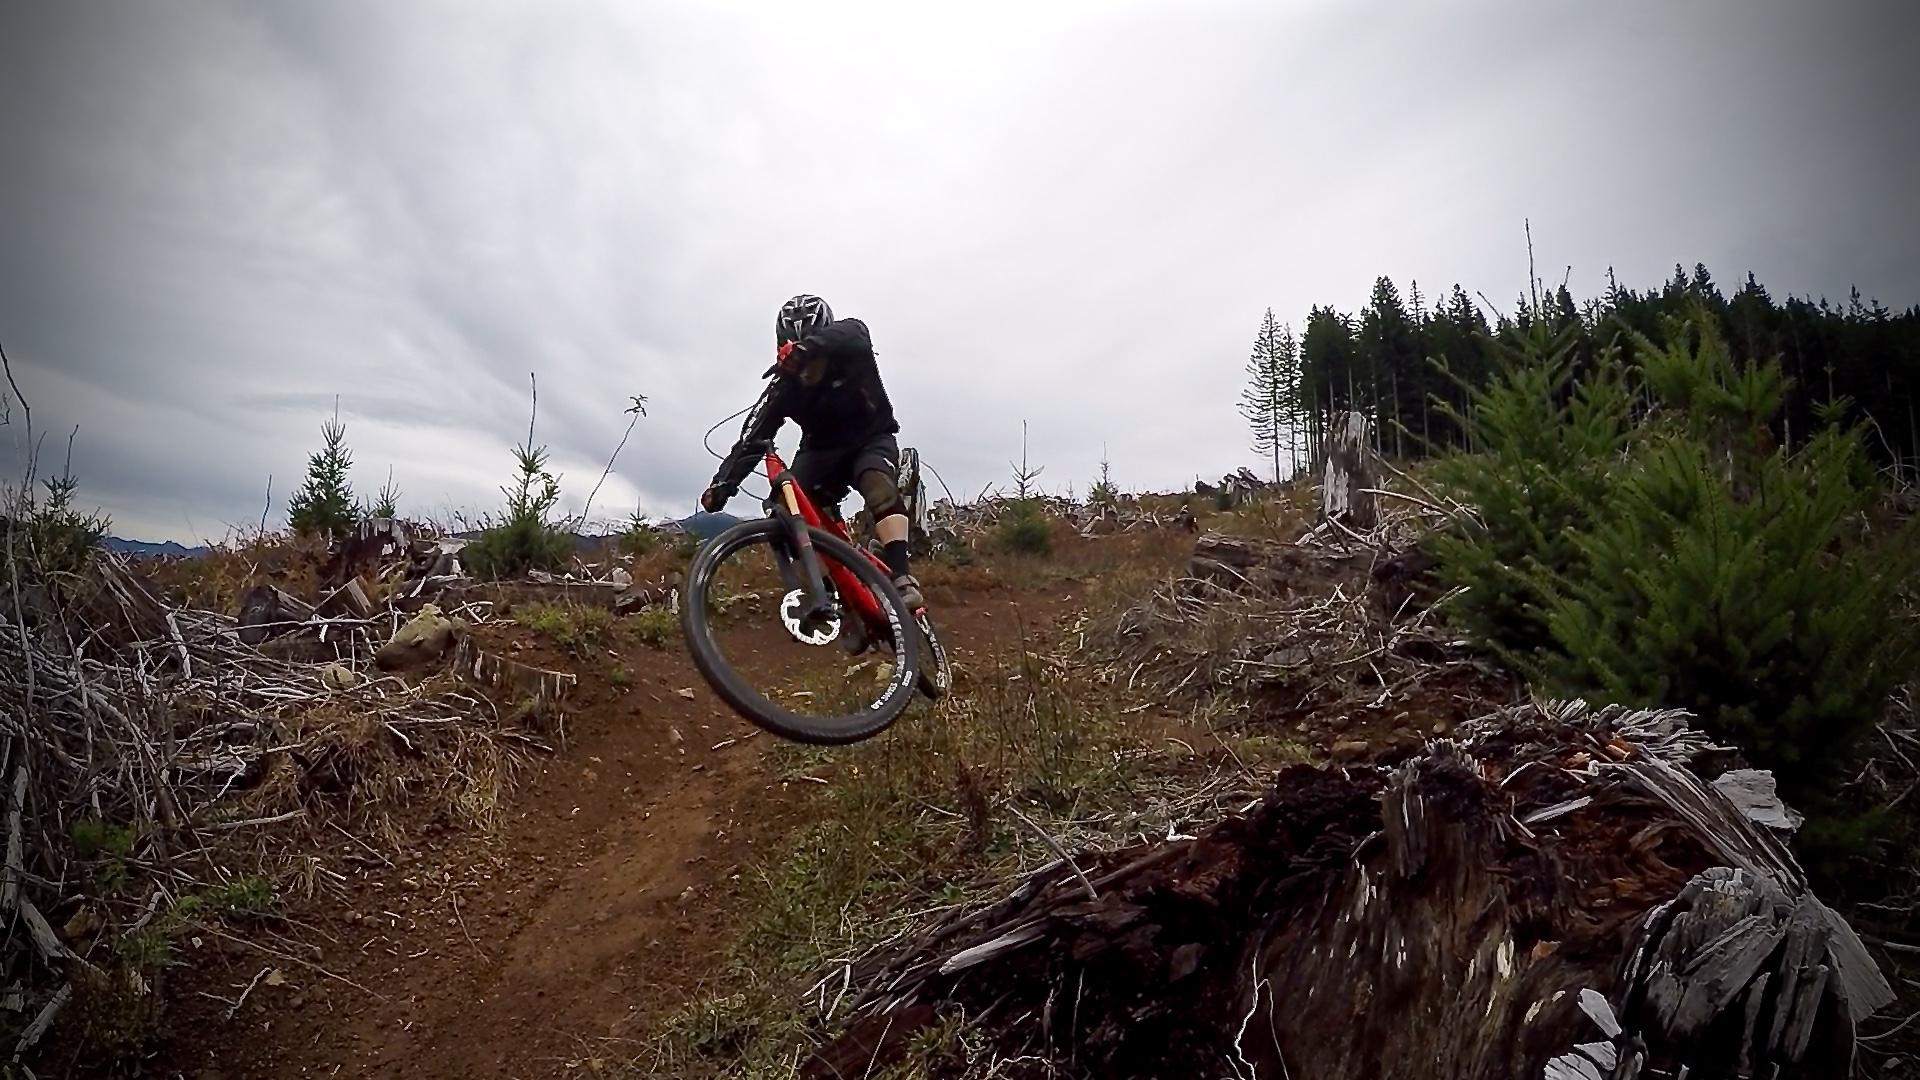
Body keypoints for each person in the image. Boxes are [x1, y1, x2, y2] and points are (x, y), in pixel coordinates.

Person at [702, 294, 925, 611]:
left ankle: (901, 577)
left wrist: (806, 349)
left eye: (811, 355)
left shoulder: (853, 352)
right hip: (821, 453)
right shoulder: (787, 387)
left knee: (877, 483)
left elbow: (856, 330)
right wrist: (722, 486)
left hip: (871, 439)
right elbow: (754, 438)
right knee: (785, 504)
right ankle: (832, 587)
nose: (806, 369)